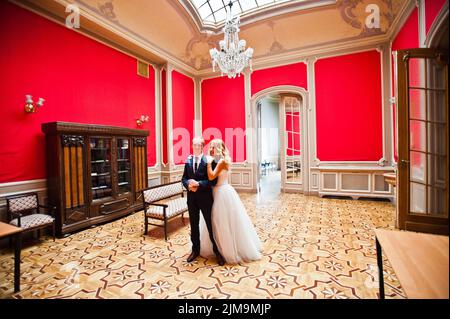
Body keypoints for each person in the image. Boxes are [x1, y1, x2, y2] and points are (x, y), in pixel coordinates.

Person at [199, 138, 262, 264]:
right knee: (214, 221)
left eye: (213, 147)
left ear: (218, 148)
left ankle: (227, 250)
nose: (210, 149)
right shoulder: (216, 161)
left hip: (222, 193)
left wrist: (207, 164)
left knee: (223, 222)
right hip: (215, 192)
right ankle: (216, 248)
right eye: (210, 147)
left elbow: (211, 176)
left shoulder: (222, 161)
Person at [181, 137, 225, 266]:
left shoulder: (209, 161)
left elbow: (213, 181)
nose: (195, 147)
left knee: (211, 226)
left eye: (198, 145)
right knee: (194, 226)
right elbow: (184, 178)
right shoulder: (188, 160)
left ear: (202, 146)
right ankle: (195, 250)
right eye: (193, 144)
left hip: (205, 199)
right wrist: (188, 184)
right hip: (191, 199)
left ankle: (217, 252)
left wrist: (198, 184)